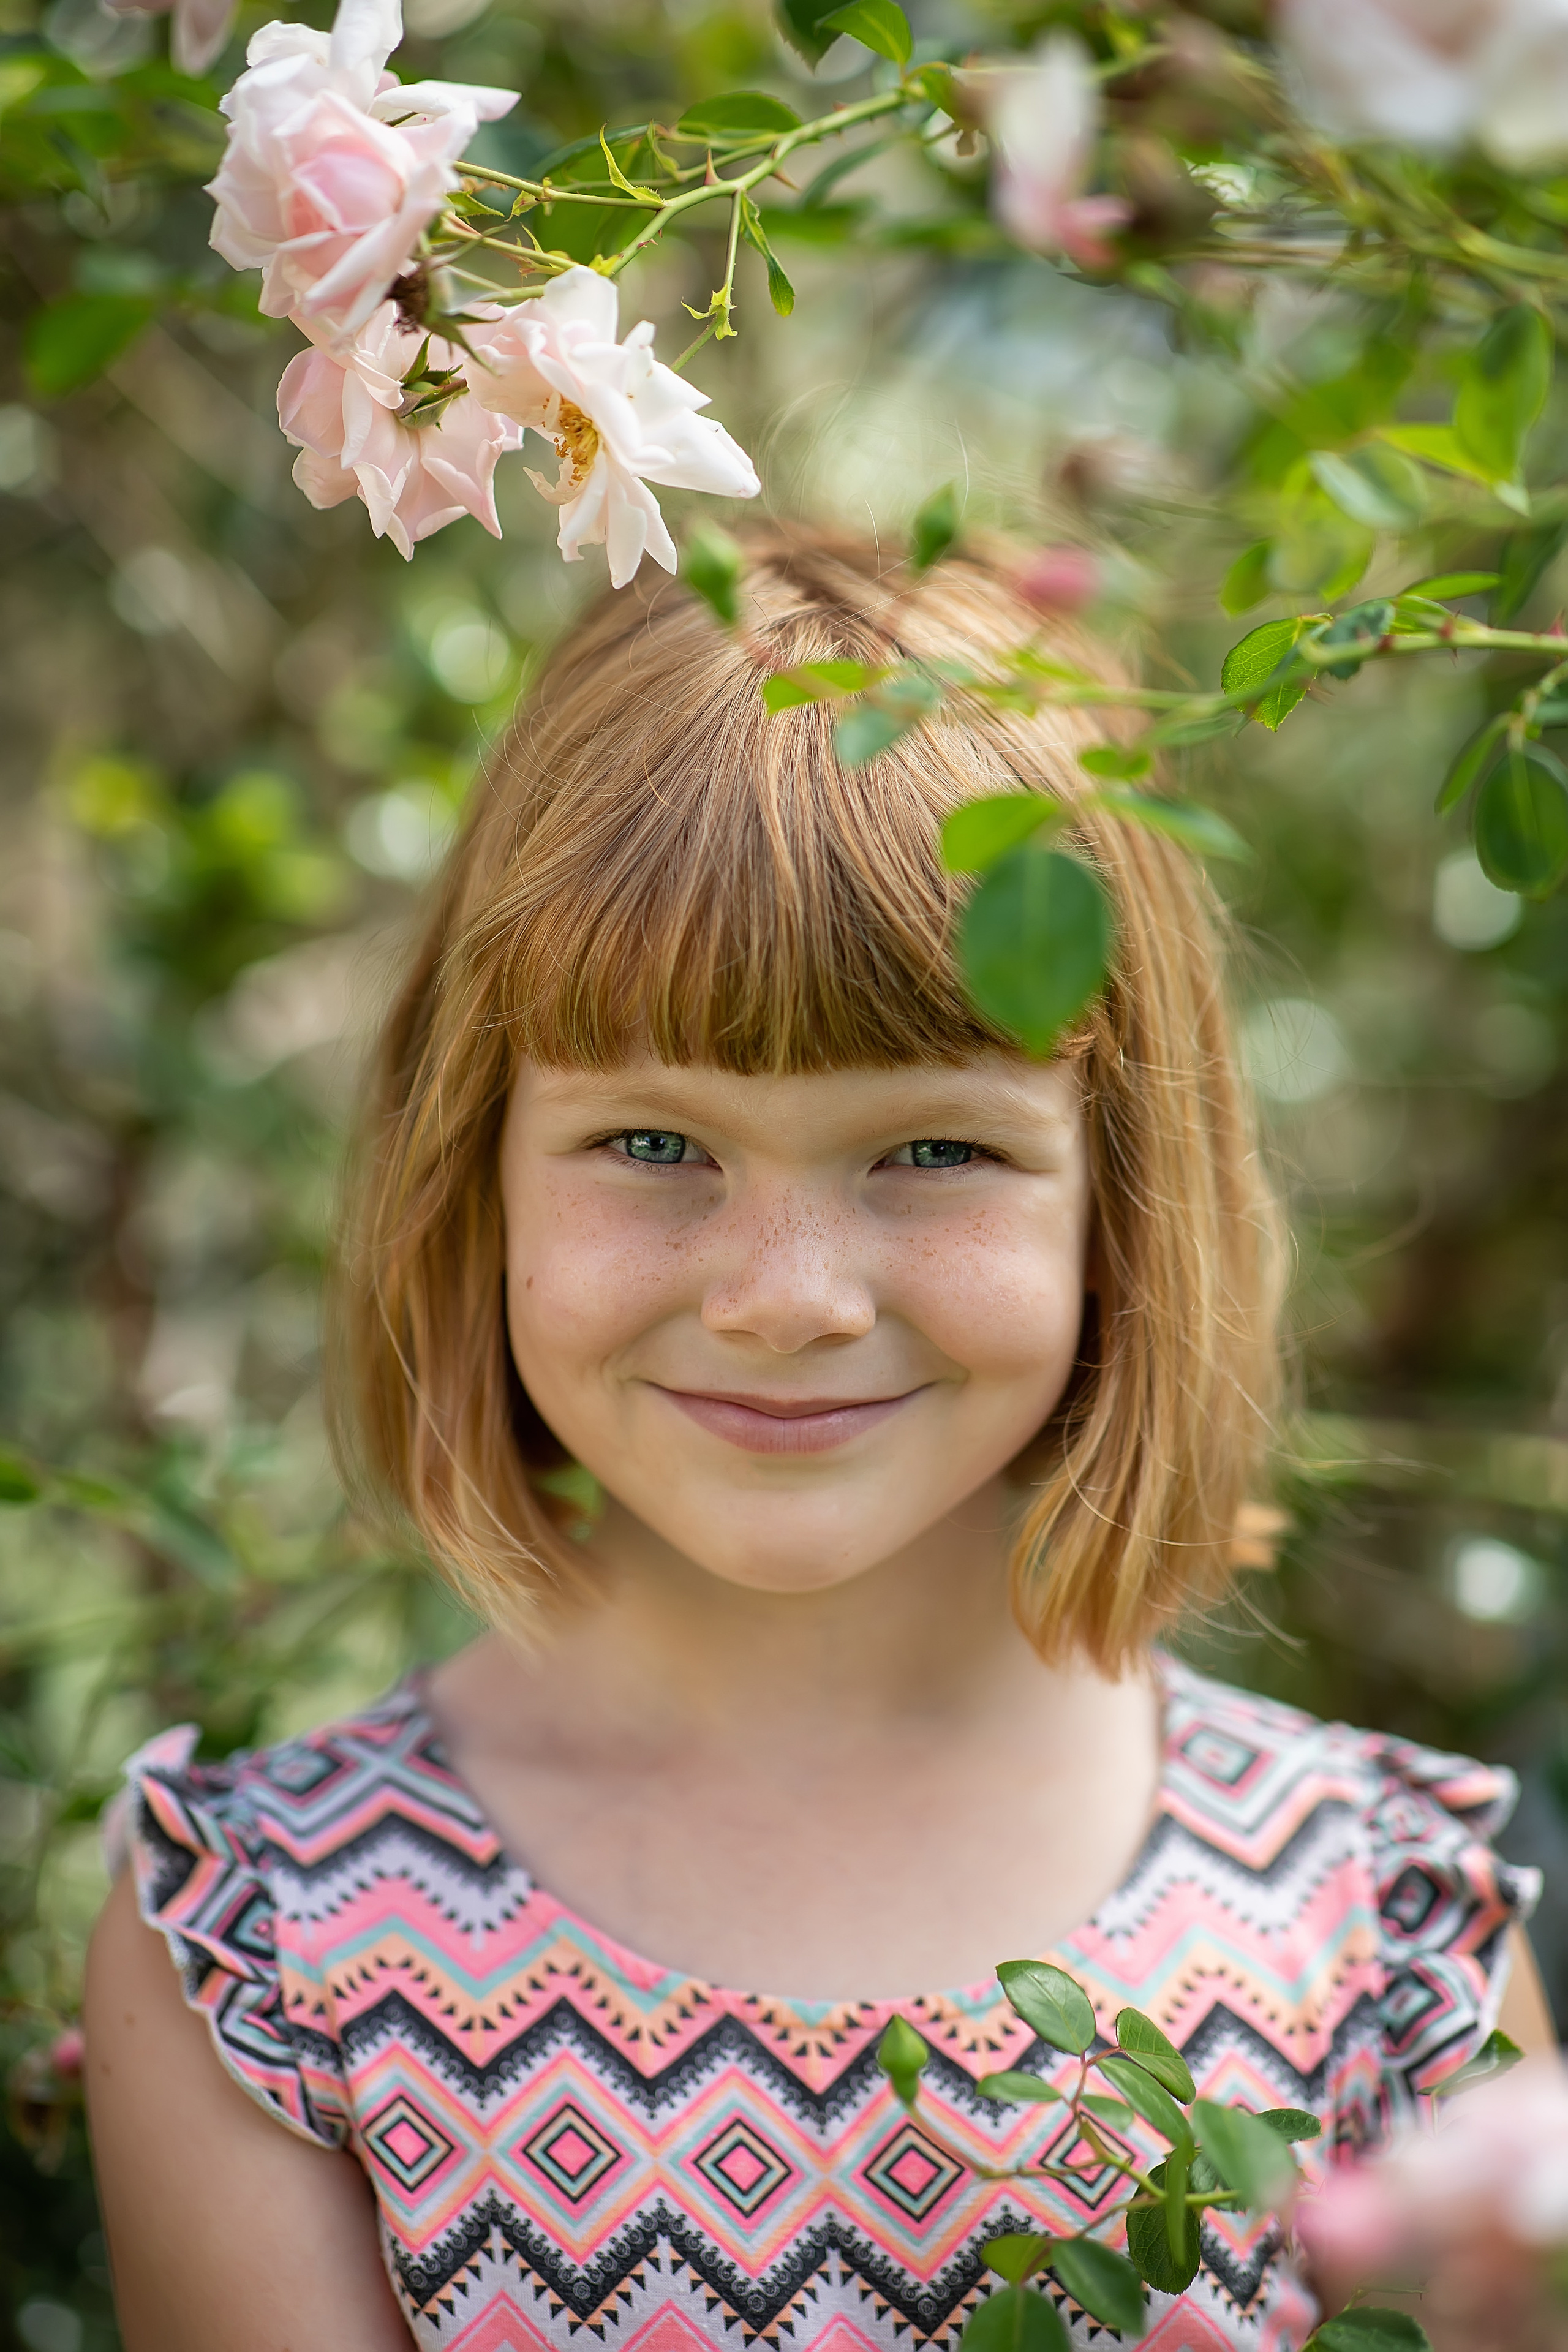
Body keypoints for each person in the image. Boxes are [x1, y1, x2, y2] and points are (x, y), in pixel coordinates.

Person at [83, 528, 1555, 2351]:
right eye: (651, 1145)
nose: (788, 1297)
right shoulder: (270, 1946)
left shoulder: (1387, 1928)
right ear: (473, 1169)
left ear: (1124, 1200)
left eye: (935, 1151)